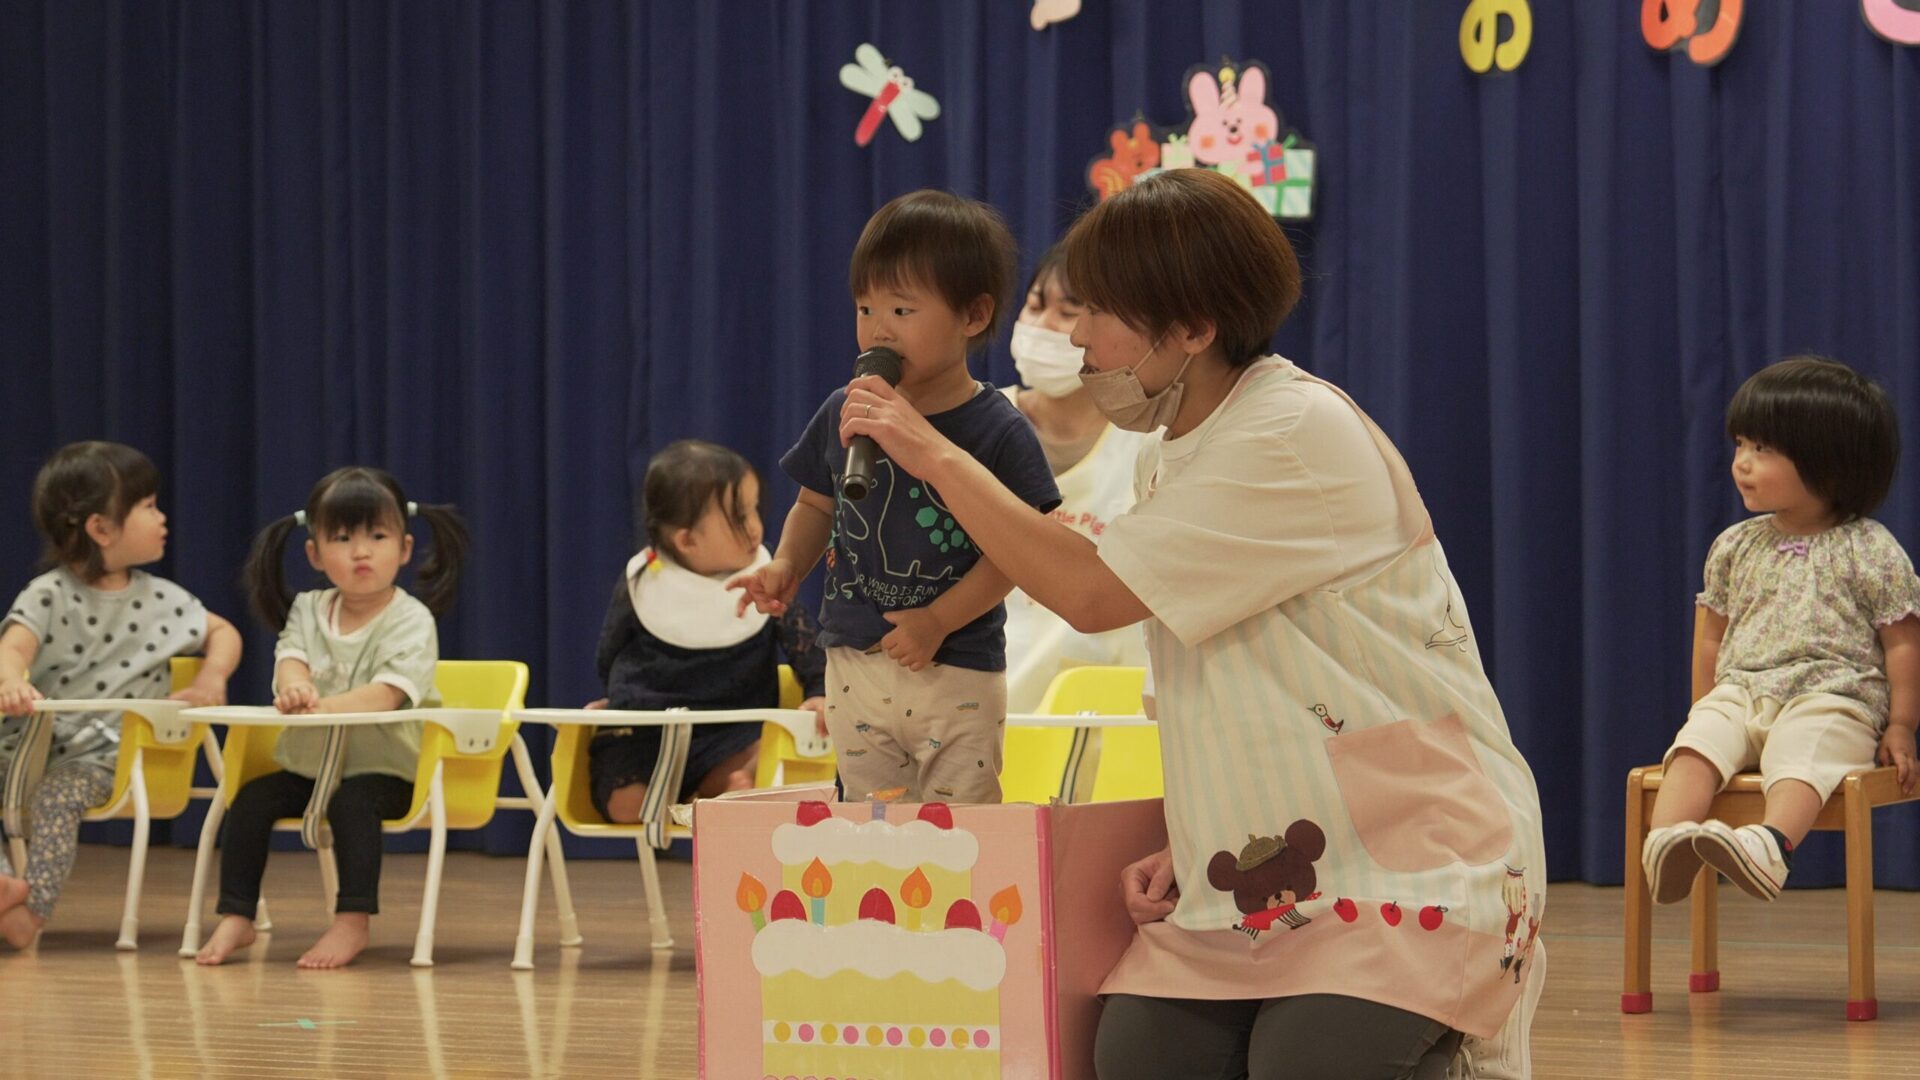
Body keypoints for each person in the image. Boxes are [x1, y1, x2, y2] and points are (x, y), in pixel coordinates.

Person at [834, 169, 1547, 1079]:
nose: (1077, 336)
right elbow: (1238, 681)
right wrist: (1194, 833)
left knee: (1307, 1067)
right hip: (1257, 867)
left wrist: (930, 452)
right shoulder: (1170, 452)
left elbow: (1089, 592)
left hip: (1409, 858)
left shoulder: (1291, 431)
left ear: (1195, 329)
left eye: (1098, 311)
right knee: (1139, 1055)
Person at [730, 189, 1060, 803]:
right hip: (854, 657)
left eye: (902, 310)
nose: (878, 329)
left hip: (955, 663)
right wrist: (786, 565)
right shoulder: (846, 408)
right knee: (869, 822)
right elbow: (816, 504)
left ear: (973, 316)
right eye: (865, 308)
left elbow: (1017, 555)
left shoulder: (1000, 429)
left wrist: (939, 619)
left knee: (960, 820)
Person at [1643, 357, 1920, 904]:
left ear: (1828, 463)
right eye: (1740, 445)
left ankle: (1770, 845)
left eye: (1762, 449)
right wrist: (1705, 707)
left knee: (1804, 747)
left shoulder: (1870, 548)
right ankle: (1667, 842)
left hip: (1832, 695)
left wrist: (1902, 725)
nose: (1741, 463)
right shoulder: (1735, 545)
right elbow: (1711, 636)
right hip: (1742, 690)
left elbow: (1903, 642)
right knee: (1696, 746)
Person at [196, 466, 468, 969]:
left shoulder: (411, 619)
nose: (361, 551)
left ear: (404, 549)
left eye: (377, 536)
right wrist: (294, 686)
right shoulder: (307, 608)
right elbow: (290, 658)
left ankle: (352, 920)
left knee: (354, 802)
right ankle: (237, 914)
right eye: (342, 538)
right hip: (312, 766)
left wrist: (321, 705)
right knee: (250, 800)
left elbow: (388, 694)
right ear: (315, 554)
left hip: (391, 771)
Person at [0, 441, 241, 949]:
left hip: (110, 761)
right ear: (101, 529)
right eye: (148, 506)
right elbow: (12, 647)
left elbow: (224, 632)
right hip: (28, 750)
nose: (162, 517)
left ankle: (31, 913)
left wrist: (211, 677)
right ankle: (3, 885)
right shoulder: (47, 594)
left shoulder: (166, 602)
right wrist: (10, 680)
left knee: (57, 798)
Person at [586, 439, 826, 824]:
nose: (755, 527)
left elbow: (807, 647)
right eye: (739, 518)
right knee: (626, 805)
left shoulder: (762, 580)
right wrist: (613, 697)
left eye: (754, 510)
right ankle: (694, 805)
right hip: (648, 734)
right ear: (687, 540)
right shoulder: (644, 581)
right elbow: (610, 650)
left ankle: (717, 793)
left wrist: (818, 692)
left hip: (733, 732)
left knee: (760, 764)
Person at [1001, 243, 1150, 712]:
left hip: (1108, 713)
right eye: (1035, 306)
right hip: (984, 705)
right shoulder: (976, 429)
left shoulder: (1149, 441)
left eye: (1067, 312)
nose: (1043, 327)